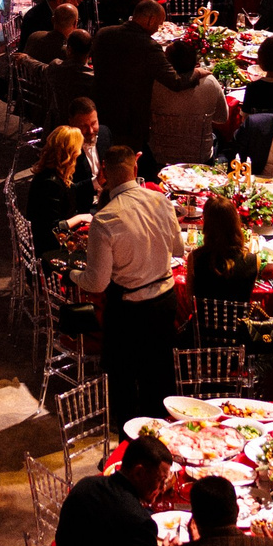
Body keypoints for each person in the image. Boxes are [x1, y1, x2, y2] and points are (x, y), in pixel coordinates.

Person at [76, 145, 182, 422]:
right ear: (135, 169)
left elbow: (97, 283)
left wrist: (72, 274)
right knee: (158, 380)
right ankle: (159, 440)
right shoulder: (161, 201)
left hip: (130, 311)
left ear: (105, 174)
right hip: (165, 301)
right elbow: (178, 249)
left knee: (123, 384)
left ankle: (126, 441)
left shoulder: (104, 219)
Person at [90, 0, 168, 154]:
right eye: (158, 24)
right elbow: (174, 81)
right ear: (150, 20)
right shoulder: (149, 46)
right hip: (132, 121)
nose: (157, 29)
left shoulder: (103, 34)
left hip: (102, 110)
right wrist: (198, 73)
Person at [149, 41, 233, 161]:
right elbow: (222, 118)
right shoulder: (210, 81)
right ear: (195, 62)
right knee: (219, 138)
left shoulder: (153, 83)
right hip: (199, 158)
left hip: (159, 156)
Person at [26, 125, 101, 247]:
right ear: (69, 154)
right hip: (50, 247)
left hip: (54, 239)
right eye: (78, 151)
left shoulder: (53, 173)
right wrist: (80, 218)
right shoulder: (49, 183)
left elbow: (70, 192)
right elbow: (52, 229)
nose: (80, 154)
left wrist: (97, 181)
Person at [186, 192, 256, 306]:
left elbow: (191, 302)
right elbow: (247, 296)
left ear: (206, 225)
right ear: (235, 222)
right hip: (238, 318)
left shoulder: (194, 258)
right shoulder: (253, 261)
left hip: (204, 317)